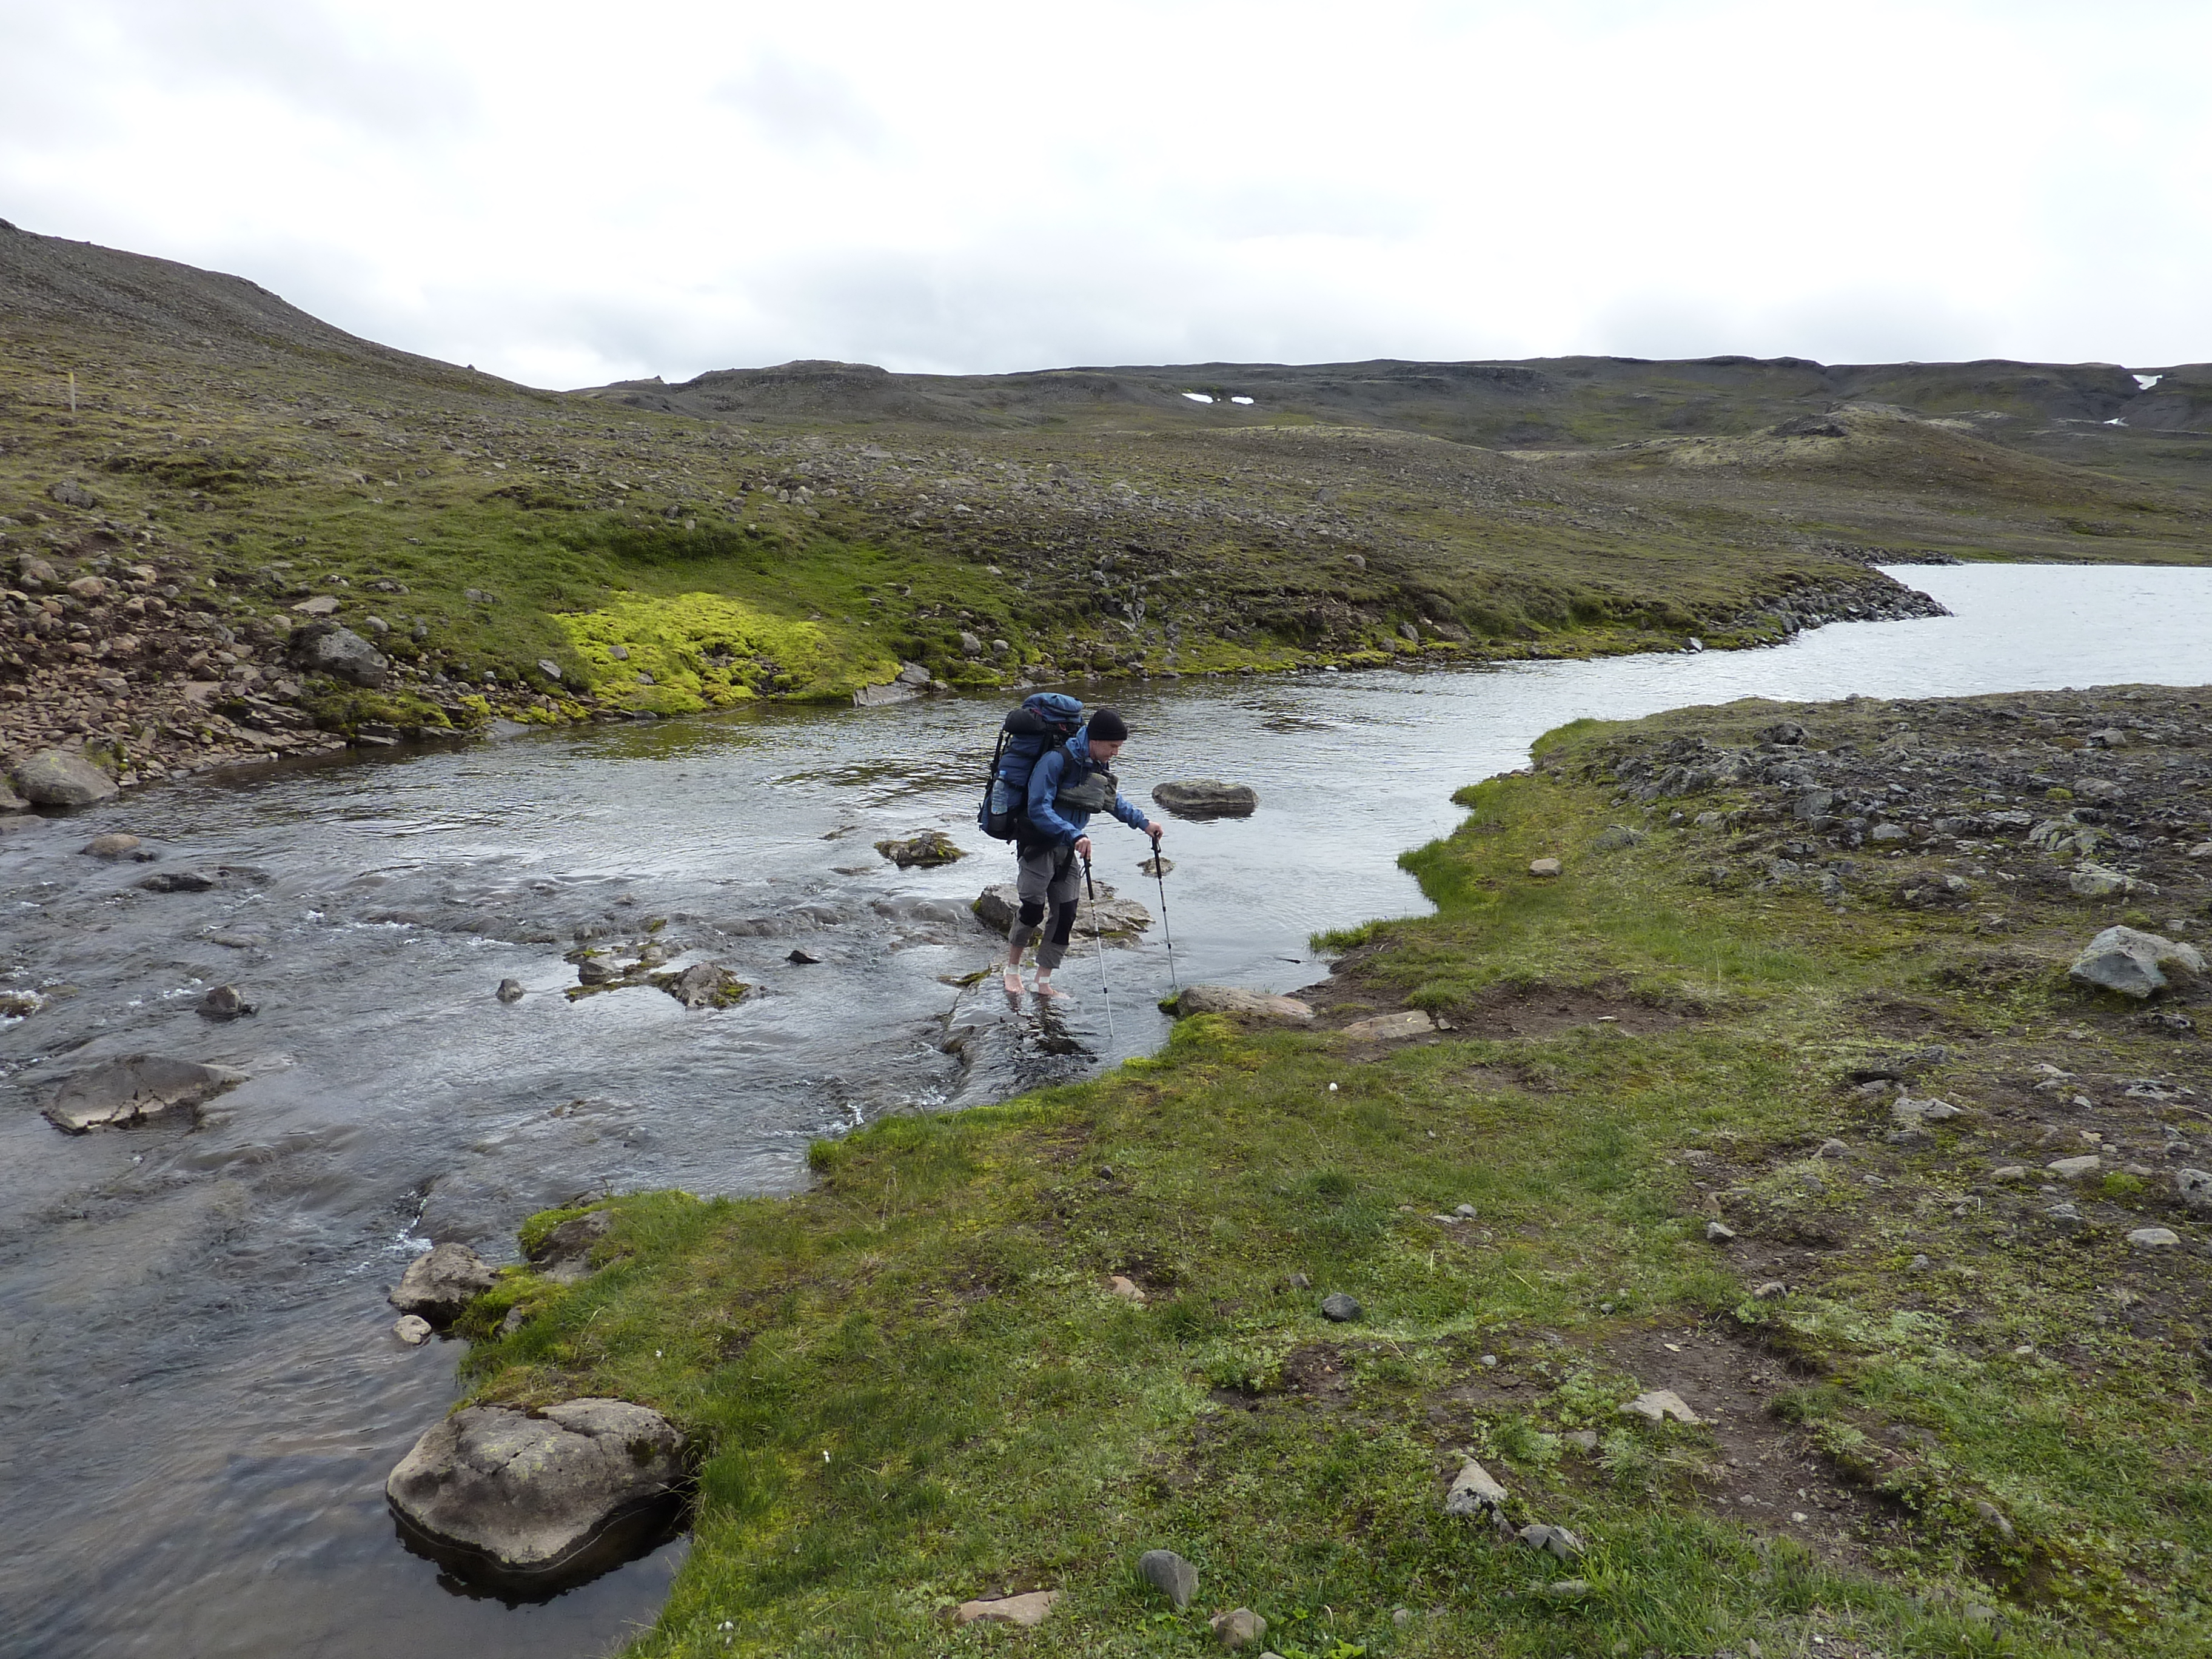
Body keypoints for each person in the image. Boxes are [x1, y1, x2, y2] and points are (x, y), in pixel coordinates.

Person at [1003, 706, 1164, 999]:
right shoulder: (1056, 761)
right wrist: (1075, 833)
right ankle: (1012, 971)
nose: (1116, 752)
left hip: (1069, 848)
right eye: (1113, 746)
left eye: (1119, 747)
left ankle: (1042, 982)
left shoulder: (1097, 765)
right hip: (1038, 844)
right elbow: (1038, 808)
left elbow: (1111, 801)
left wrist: (1144, 824)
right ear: (1094, 739)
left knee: (1066, 914)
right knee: (1032, 911)